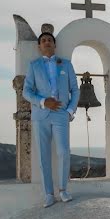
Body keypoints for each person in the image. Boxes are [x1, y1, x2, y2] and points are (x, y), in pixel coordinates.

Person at [22, 28, 79, 207]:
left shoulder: (66, 64)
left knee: (63, 151)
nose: (47, 42)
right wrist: (42, 101)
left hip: (61, 114)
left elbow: (75, 90)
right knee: (43, 156)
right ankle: (48, 194)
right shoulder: (34, 65)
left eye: (49, 40)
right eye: (43, 40)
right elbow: (26, 91)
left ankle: (63, 190)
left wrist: (70, 111)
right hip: (41, 115)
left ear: (54, 45)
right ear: (39, 46)